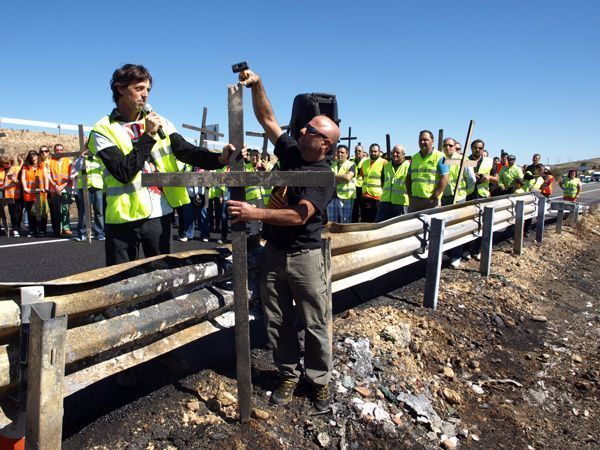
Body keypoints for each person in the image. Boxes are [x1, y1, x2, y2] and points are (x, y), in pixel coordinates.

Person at [230, 68, 339, 412]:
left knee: (316, 321)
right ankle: (288, 374)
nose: (302, 129)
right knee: (277, 320)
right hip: (275, 254)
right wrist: (257, 84)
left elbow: (300, 215)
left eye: (311, 130)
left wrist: (254, 214)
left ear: (324, 144)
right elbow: (267, 117)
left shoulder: (323, 175)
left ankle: (319, 381)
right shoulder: (292, 152)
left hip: (305, 258)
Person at [87, 63, 237, 266]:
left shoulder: (161, 122)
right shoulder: (102, 130)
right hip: (122, 218)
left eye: (148, 89)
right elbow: (123, 172)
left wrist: (219, 159)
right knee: (120, 280)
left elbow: (187, 151)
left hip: (160, 213)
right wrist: (148, 136)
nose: (145, 95)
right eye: (139, 88)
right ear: (120, 88)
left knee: (161, 275)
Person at [406, 130, 449, 212]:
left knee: (430, 224)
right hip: (415, 200)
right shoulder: (415, 157)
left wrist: (434, 196)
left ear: (432, 141)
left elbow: (445, 178)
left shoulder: (440, 156)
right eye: (420, 140)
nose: (422, 142)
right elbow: (408, 177)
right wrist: (410, 194)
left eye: (425, 140)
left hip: (431, 201)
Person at [72, 149, 105, 241]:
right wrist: (81, 157)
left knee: (99, 211)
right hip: (84, 187)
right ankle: (82, 234)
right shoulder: (81, 159)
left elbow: (104, 169)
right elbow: (77, 168)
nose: (90, 151)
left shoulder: (98, 159)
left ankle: (100, 233)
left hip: (97, 186)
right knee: (83, 212)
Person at [376, 144, 410, 221]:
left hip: (401, 203)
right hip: (385, 201)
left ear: (403, 154)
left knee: (399, 227)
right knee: (380, 225)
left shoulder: (408, 166)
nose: (395, 154)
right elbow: (382, 182)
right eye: (393, 152)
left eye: (397, 153)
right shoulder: (387, 166)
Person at [20, 150, 47, 237]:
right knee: (31, 213)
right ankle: (32, 230)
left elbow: (46, 176)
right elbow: (23, 178)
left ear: (37, 156)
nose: (33, 158)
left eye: (35, 156)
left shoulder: (42, 165)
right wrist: (25, 188)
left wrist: (46, 187)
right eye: (31, 156)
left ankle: (42, 230)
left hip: (41, 193)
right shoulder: (25, 167)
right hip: (30, 193)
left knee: (42, 212)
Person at [48, 143, 73, 236]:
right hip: (54, 189)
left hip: (66, 188)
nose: (58, 151)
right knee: (56, 210)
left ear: (63, 151)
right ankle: (58, 228)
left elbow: (71, 176)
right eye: (57, 150)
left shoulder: (68, 161)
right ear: (54, 151)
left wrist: (62, 186)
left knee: (65, 209)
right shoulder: (50, 161)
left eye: (60, 150)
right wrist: (56, 186)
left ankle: (66, 228)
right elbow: (48, 176)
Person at [327, 145, 355, 223]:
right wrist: (341, 177)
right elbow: (327, 178)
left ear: (347, 154)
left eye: (342, 152)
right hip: (332, 196)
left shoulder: (351, 164)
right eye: (338, 152)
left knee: (345, 223)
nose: (339, 154)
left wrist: (333, 176)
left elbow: (347, 178)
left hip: (345, 198)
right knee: (331, 223)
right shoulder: (333, 164)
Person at [359, 143, 387, 222]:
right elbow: (363, 177)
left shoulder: (384, 162)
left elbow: (385, 180)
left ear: (379, 152)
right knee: (364, 220)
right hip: (365, 196)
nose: (373, 153)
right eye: (371, 151)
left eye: (375, 151)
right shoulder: (365, 163)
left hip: (377, 197)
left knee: (375, 220)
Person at [2, 157, 22, 236]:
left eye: (8, 163)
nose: (6, 165)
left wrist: (13, 181)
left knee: (18, 211)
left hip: (16, 194)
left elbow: (19, 181)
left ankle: (17, 227)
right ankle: (15, 228)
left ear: (11, 162)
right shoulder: (2, 170)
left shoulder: (16, 169)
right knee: (11, 212)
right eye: (4, 163)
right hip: (7, 194)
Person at [351, 144, 368, 222]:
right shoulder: (351, 161)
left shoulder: (367, 162)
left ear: (363, 152)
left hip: (362, 188)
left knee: (363, 208)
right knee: (354, 208)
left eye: (359, 151)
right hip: (353, 188)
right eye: (356, 151)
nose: (357, 152)